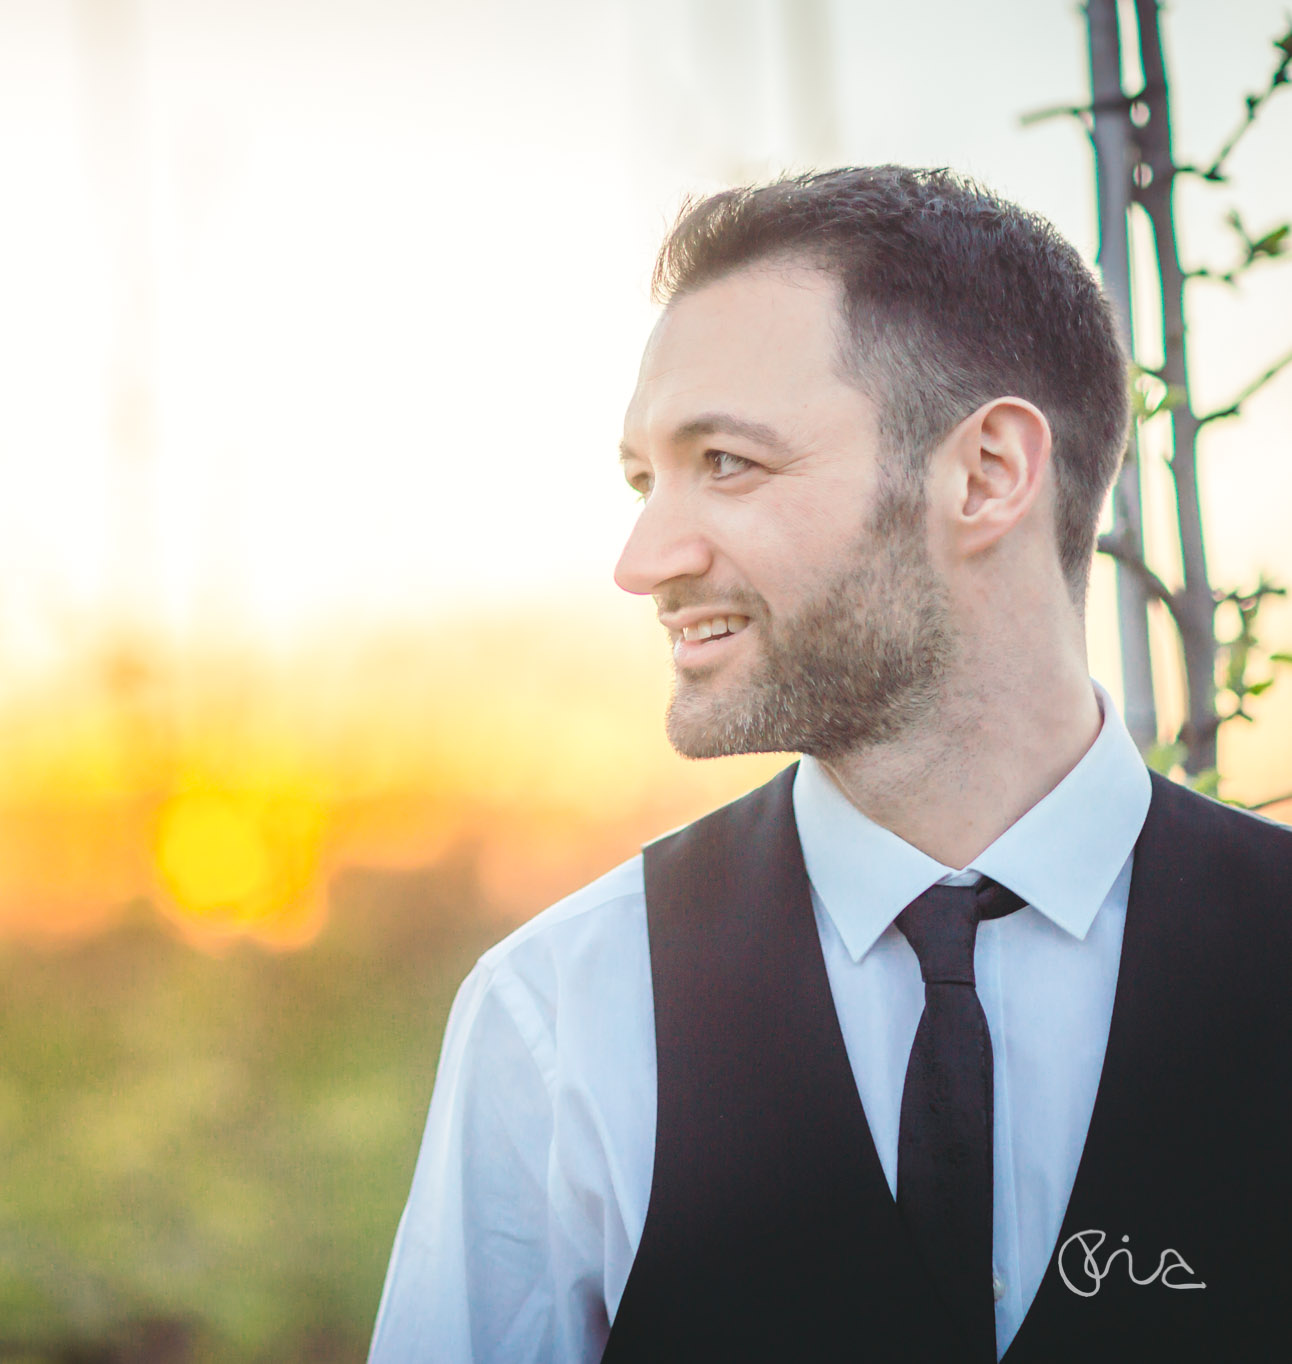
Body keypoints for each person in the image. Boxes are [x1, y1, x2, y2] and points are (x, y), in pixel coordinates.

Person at [368, 166, 1292, 1363]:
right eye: (647, 478)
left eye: (728, 464)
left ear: (987, 472)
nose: (644, 557)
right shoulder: (560, 1012)